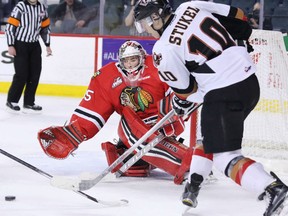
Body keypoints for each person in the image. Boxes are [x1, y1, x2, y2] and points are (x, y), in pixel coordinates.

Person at [133, 0, 288, 215]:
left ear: (156, 18)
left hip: (224, 93)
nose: (145, 30)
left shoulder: (163, 49)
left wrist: (182, 101)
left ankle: (271, 188)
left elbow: (186, 90)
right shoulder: (190, 6)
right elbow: (239, 15)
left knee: (224, 156)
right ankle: (193, 186)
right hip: (249, 83)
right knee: (208, 139)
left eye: (144, 23)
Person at [37, 40, 193, 185]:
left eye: (133, 60)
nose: (130, 64)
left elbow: (179, 93)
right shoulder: (108, 76)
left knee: (132, 158)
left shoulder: (158, 66)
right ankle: (165, 158)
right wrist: (74, 133)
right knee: (129, 165)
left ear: (142, 58)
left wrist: (171, 120)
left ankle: (185, 160)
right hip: (132, 124)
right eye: (126, 61)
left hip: (160, 124)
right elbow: (94, 106)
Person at [5, 0, 52, 113]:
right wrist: (11, 45)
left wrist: (47, 45)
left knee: (35, 74)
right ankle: (12, 101)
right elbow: (10, 27)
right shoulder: (20, 7)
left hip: (35, 45)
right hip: (20, 44)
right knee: (21, 74)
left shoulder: (42, 8)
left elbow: (45, 28)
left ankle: (29, 103)